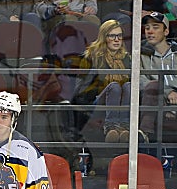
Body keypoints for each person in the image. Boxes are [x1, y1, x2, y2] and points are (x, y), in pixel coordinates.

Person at [73, 19, 131, 143]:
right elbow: (80, 89)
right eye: (112, 36)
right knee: (114, 87)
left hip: (121, 104)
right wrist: (104, 89)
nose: (116, 39)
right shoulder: (91, 56)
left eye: (119, 36)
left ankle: (125, 127)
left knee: (128, 86)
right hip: (96, 102)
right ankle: (111, 127)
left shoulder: (127, 58)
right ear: (104, 37)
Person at [140, 12, 177, 143]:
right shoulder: (141, 54)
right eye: (147, 28)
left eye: (155, 27)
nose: (150, 31)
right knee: (153, 85)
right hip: (156, 103)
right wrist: (167, 92)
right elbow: (140, 81)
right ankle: (144, 135)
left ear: (166, 31)